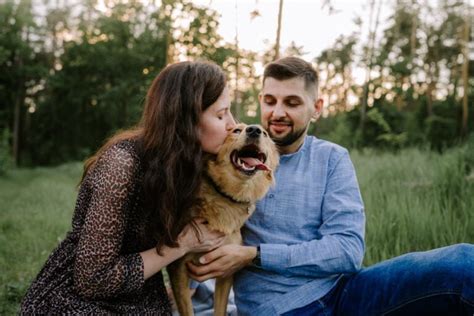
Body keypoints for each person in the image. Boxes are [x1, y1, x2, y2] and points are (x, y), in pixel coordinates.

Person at [187, 56, 474, 315]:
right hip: (281, 308)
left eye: (293, 102)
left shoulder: (331, 158)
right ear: (261, 99)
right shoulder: (228, 154)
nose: (277, 113)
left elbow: (348, 250)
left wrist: (255, 255)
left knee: (463, 263)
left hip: (345, 292)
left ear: (317, 107)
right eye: (270, 101)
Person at [20, 61, 237, 314]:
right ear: (186, 120)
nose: (232, 124)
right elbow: (92, 281)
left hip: (142, 295)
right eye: (221, 115)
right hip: (76, 300)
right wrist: (184, 243)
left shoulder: (190, 166)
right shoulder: (121, 163)